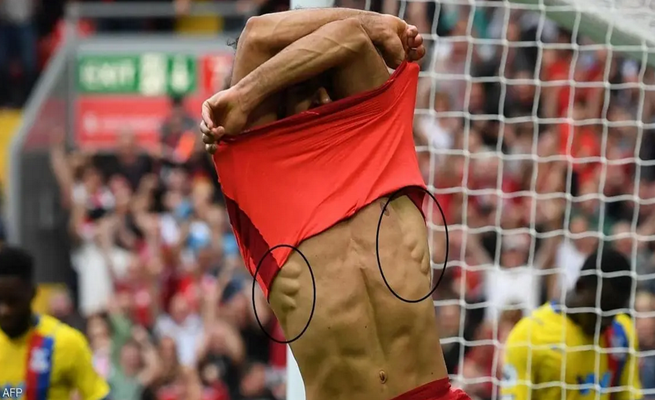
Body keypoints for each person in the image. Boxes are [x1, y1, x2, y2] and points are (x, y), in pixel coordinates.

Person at [201, 8, 469, 400]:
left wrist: (378, 24)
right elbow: (256, 35)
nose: (325, 99)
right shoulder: (258, 181)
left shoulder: (379, 140)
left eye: (329, 84)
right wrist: (247, 97)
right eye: (306, 91)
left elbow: (351, 40)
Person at [501, 248, 642, 400]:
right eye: (602, 307)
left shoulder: (623, 330)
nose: (607, 321)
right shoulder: (529, 335)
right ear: (581, 287)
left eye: (614, 312)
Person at [0, 245, 110, 399]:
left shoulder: (64, 342)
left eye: (13, 301)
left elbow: (99, 395)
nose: (4, 311)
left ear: (32, 294)